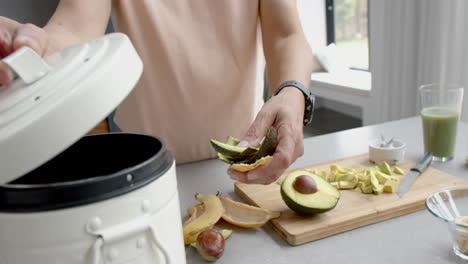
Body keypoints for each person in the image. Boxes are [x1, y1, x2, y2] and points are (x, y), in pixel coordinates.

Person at [0, 0, 314, 185]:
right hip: (144, 171)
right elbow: (71, 30)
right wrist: (31, 49)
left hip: (246, 166)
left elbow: (287, 34)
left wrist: (293, 91)